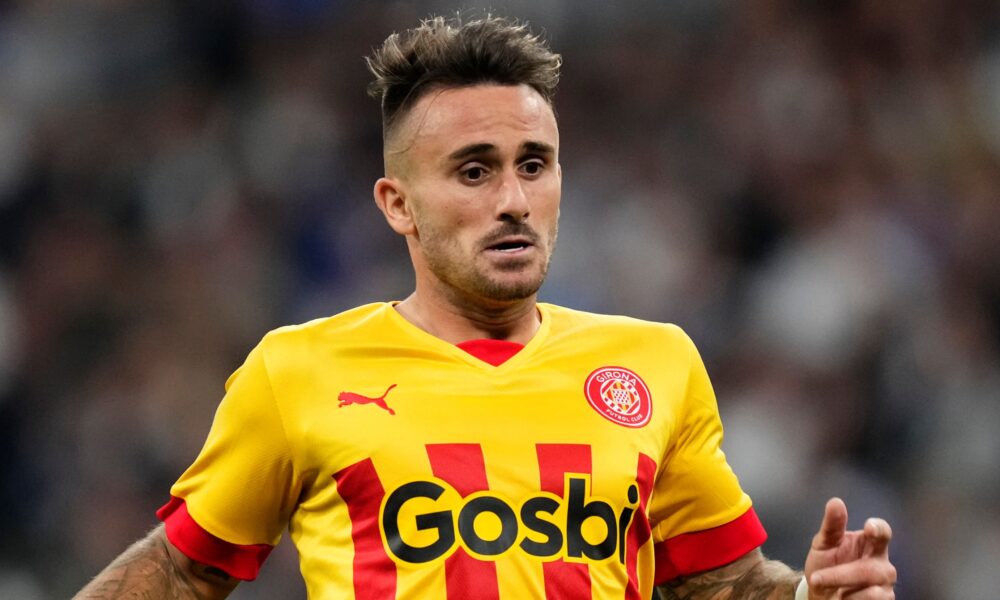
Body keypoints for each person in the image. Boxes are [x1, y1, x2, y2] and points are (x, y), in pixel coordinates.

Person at [75, 15, 897, 600]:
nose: (513, 200)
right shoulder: (299, 372)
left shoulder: (656, 364)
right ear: (398, 204)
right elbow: (182, 570)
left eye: (534, 165)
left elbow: (718, 583)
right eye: (474, 171)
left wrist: (808, 596)